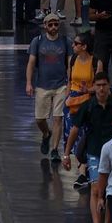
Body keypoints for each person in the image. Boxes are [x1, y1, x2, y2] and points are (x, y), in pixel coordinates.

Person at [64, 73, 112, 223]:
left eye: (104, 85)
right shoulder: (88, 106)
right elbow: (75, 129)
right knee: (96, 190)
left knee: (111, 190)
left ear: (109, 85)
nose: (101, 88)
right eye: (98, 85)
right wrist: (66, 153)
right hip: (94, 153)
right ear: (94, 86)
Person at [27, 13, 74, 161]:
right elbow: (31, 63)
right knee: (40, 119)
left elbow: (70, 64)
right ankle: (46, 134)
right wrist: (29, 83)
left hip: (61, 85)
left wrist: (69, 83)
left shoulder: (65, 41)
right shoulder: (38, 41)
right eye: (51, 24)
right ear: (45, 26)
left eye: (56, 24)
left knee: (58, 118)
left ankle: (54, 150)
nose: (54, 27)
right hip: (42, 85)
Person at [65, 33, 102, 190]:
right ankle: (82, 169)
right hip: (73, 101)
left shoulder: (96, 63)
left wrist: (89, 89)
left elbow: (100, 84)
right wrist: (67, 97)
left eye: (76, 43)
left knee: (84, 134)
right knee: (72, 134)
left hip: (88, 100)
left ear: (84, 46)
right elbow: (69, 81)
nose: (73, 46)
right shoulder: (72, 60)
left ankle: (83, 171)